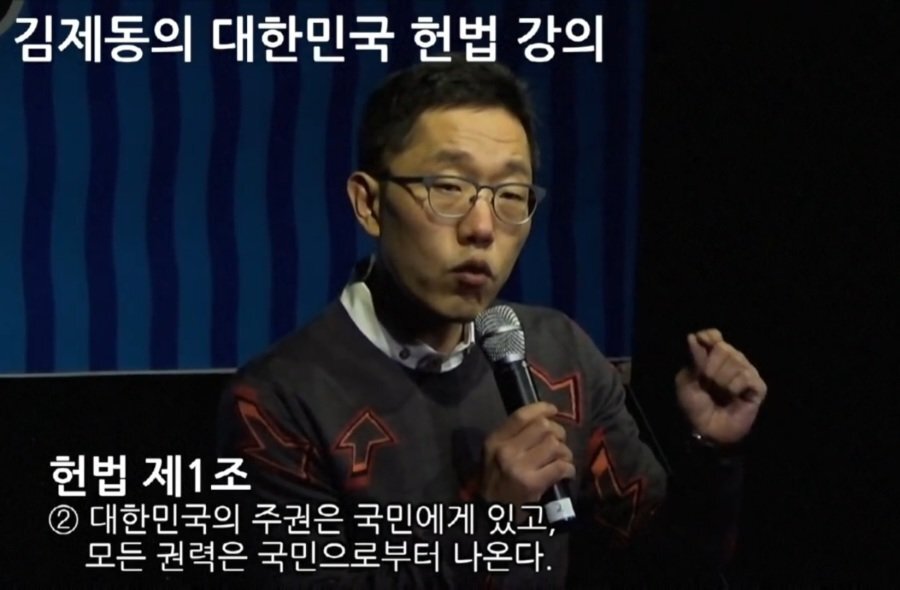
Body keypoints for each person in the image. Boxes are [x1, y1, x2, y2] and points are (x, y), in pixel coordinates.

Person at [217, 58, 768, 588]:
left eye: (509, 195)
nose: (482, 227)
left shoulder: (557, 356)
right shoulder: (278, 402)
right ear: (369, 203)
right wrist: (490, 522)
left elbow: (670, 564)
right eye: (448, 187)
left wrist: (712, 454)